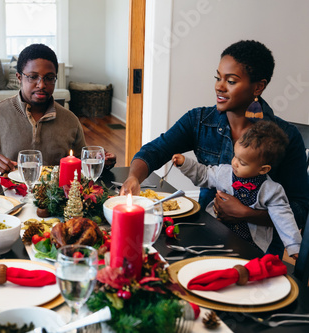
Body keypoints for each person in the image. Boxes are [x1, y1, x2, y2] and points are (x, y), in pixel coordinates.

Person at [120, 40, 309, 257]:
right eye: (218, 78)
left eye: (230, 81)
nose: (219, 86)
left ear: (258, 87)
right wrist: (134, 177)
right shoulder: (199, 120)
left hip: (258, 249)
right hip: (205, 233)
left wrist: (248, 214)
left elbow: (300, 209)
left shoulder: (285, 137)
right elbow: (154, 151)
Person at [0, 43, 116, 173]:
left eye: (49, 78)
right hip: (7, 201)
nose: (42, 85)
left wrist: (101, 162)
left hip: (55, 203)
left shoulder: (70, 121)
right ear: (19, 78)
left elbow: (81, 164)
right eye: (33, 77)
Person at [173, 121, 301, 259]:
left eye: (242, 163)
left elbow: (284, 218)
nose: (234, 163)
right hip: (217, 234)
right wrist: (185, 163)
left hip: (251, 245)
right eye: (235, 156)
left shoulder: (272, 191)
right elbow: (203, 174)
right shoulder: (223, 172)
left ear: (263, 169)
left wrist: (294, 247)